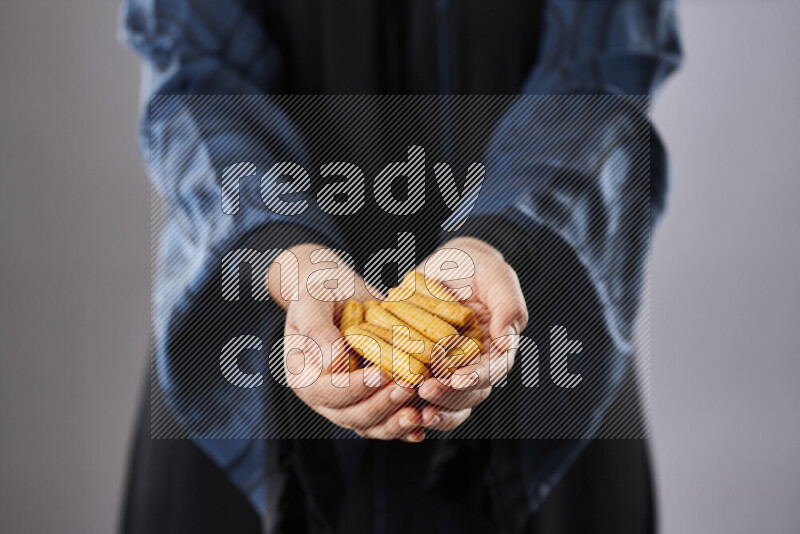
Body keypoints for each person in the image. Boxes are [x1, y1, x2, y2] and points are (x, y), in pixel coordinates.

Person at [120, 1, 681, 532]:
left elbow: (605, 62)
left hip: (535, 341)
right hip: (251, 357)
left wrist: (501, 236)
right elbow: (192, 63)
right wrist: (282, 244)